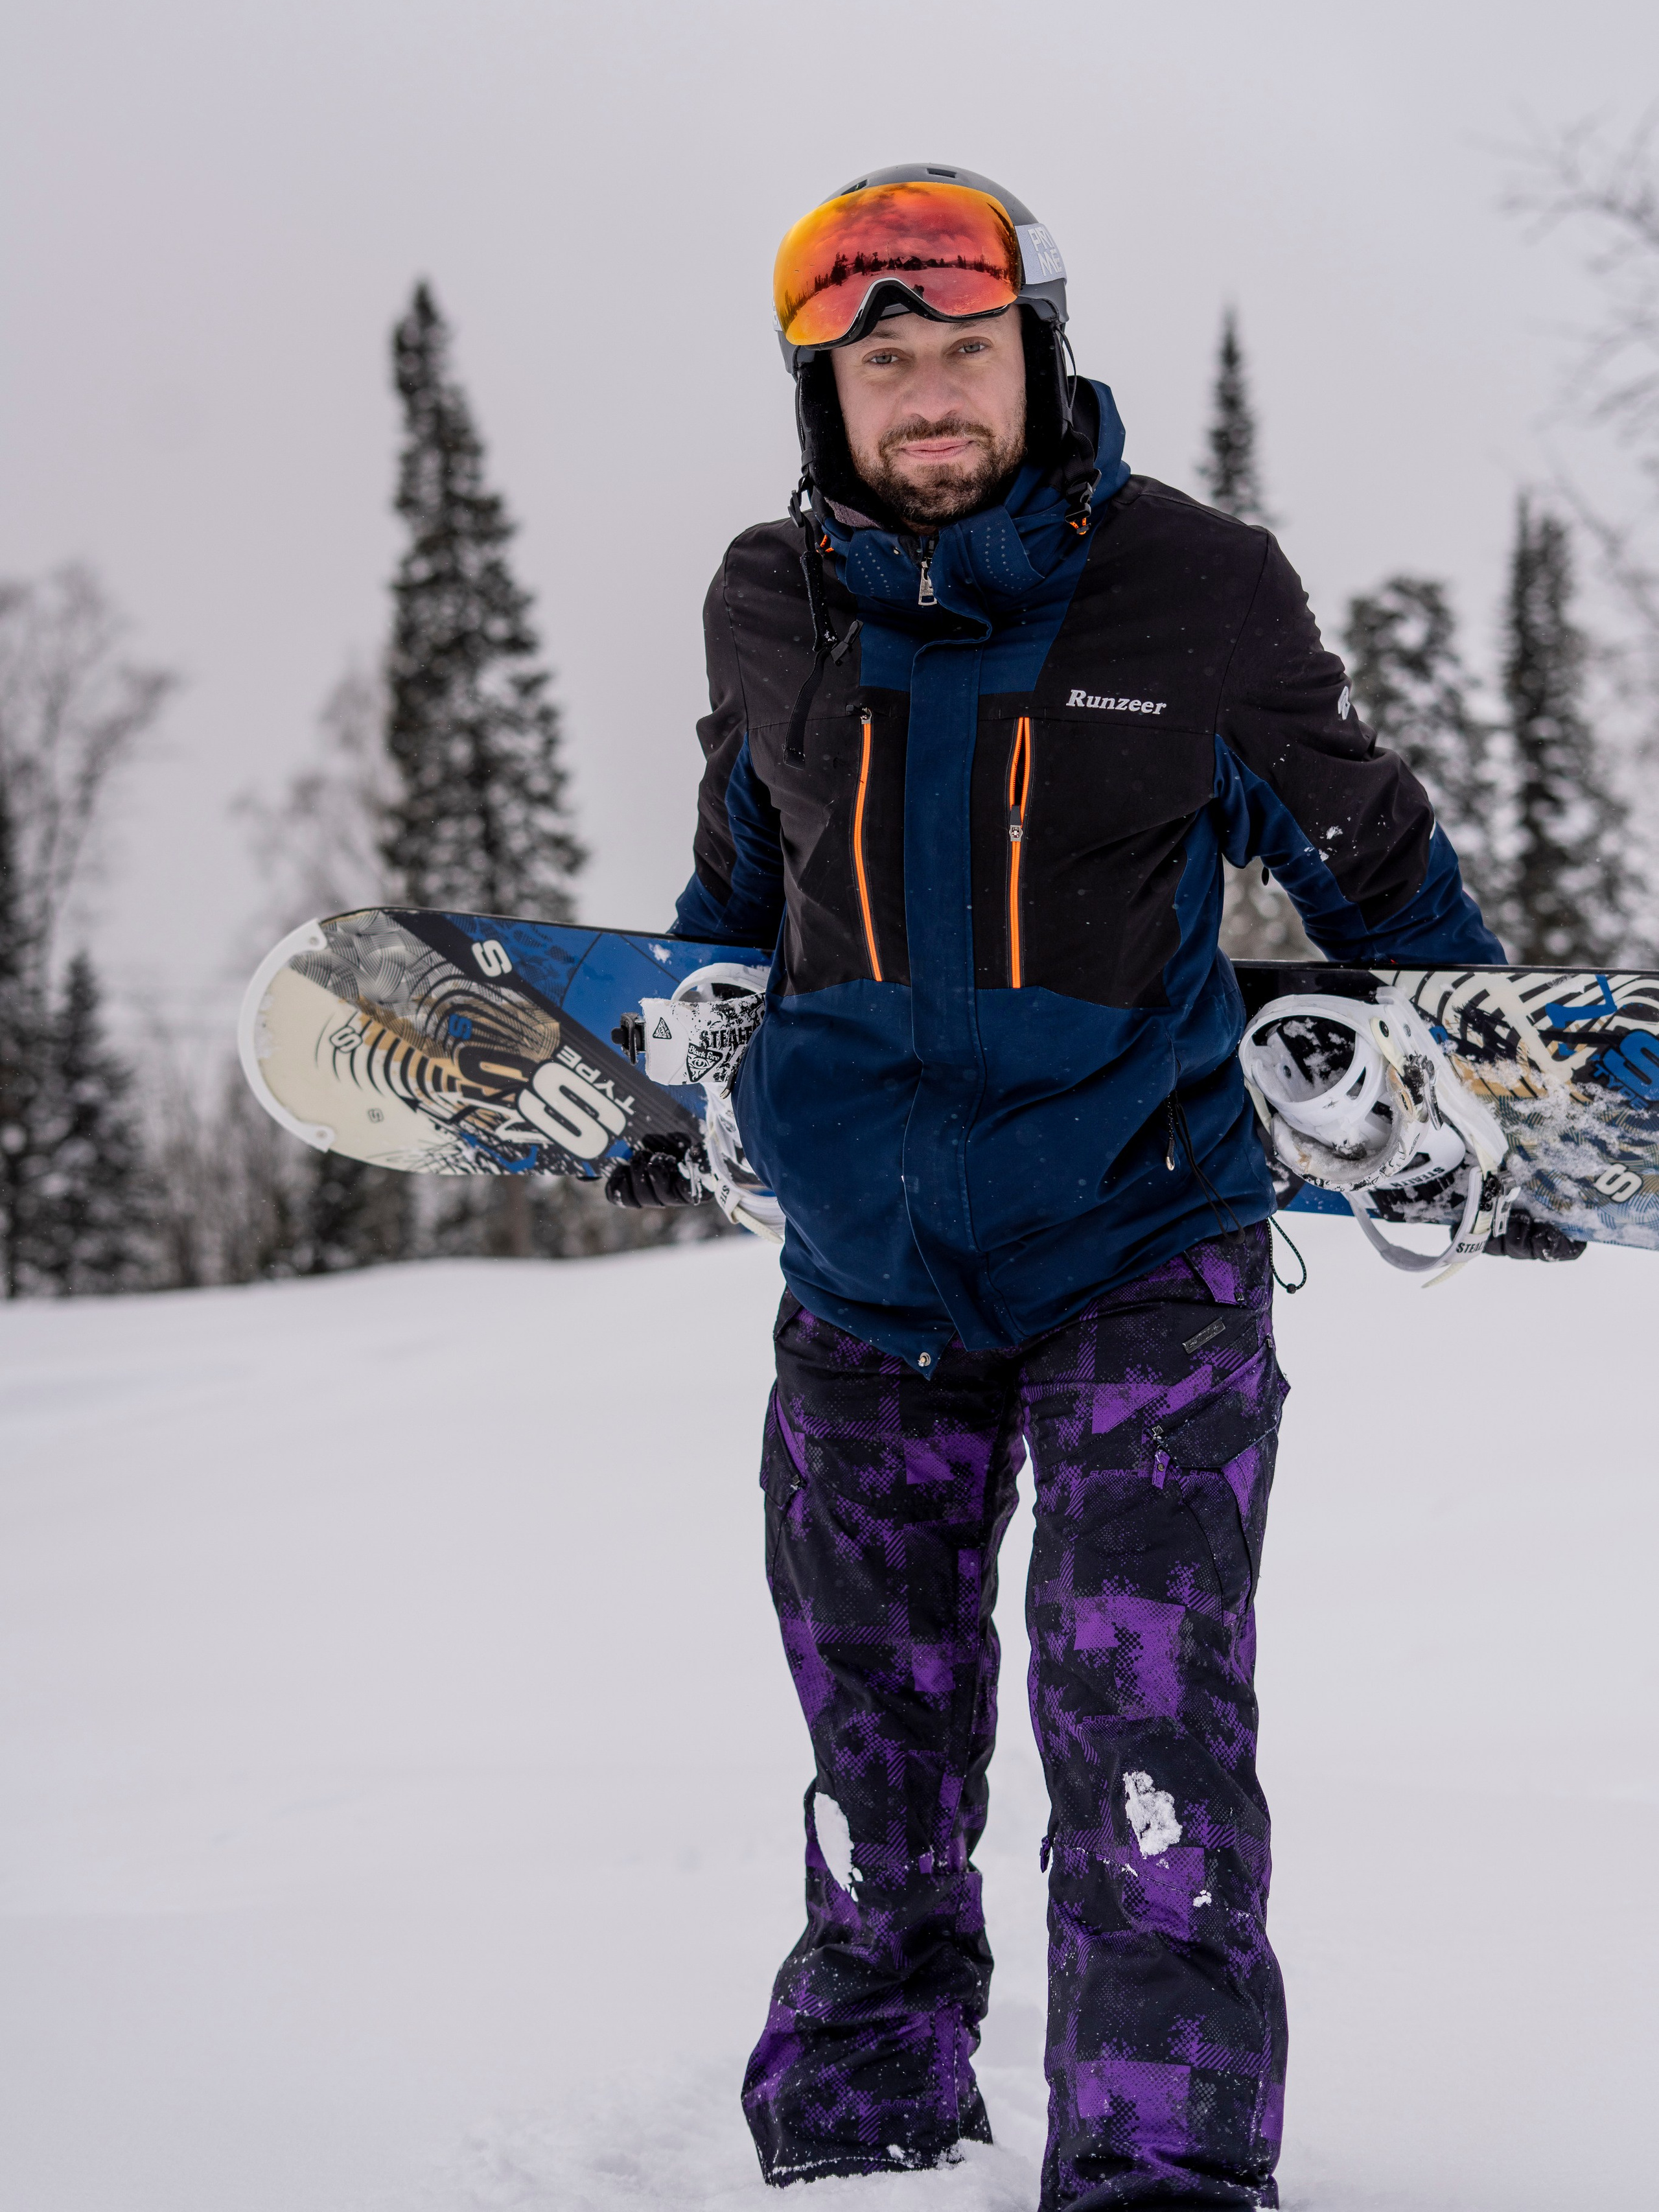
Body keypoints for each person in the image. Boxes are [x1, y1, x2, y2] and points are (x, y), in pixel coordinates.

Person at [609, 166, 1512, 2206]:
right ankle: (862, 2132)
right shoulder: (771, 602)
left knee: (1148, 1752)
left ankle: (1163, 2175)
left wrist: (1469, 1050)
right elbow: (737, 890)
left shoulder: (1194, 588)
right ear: (824, 396)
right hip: (861, 1280)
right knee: (879, 1764)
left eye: (969, 352)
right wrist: (679, 1073)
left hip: (1144, 1249)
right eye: (887, 365)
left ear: (1041, 349)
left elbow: (1368, 850)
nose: (934, 397)